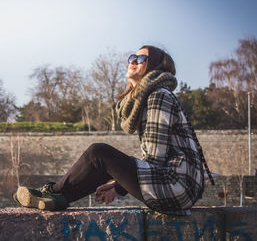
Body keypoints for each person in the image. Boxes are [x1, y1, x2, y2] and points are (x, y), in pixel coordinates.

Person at [14, 45, 214, 215]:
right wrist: (118, 185)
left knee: (98, 153)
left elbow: (155, 159)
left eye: (141, 58)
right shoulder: (150, 98)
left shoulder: (158, 96)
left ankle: (51, 191)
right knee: (103, 163)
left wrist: (119, 184)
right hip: (176, 187)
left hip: (176, 185)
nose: (133, 61)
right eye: (132, 57)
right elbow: (153, 161)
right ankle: (57, 200)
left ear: (154, 66)